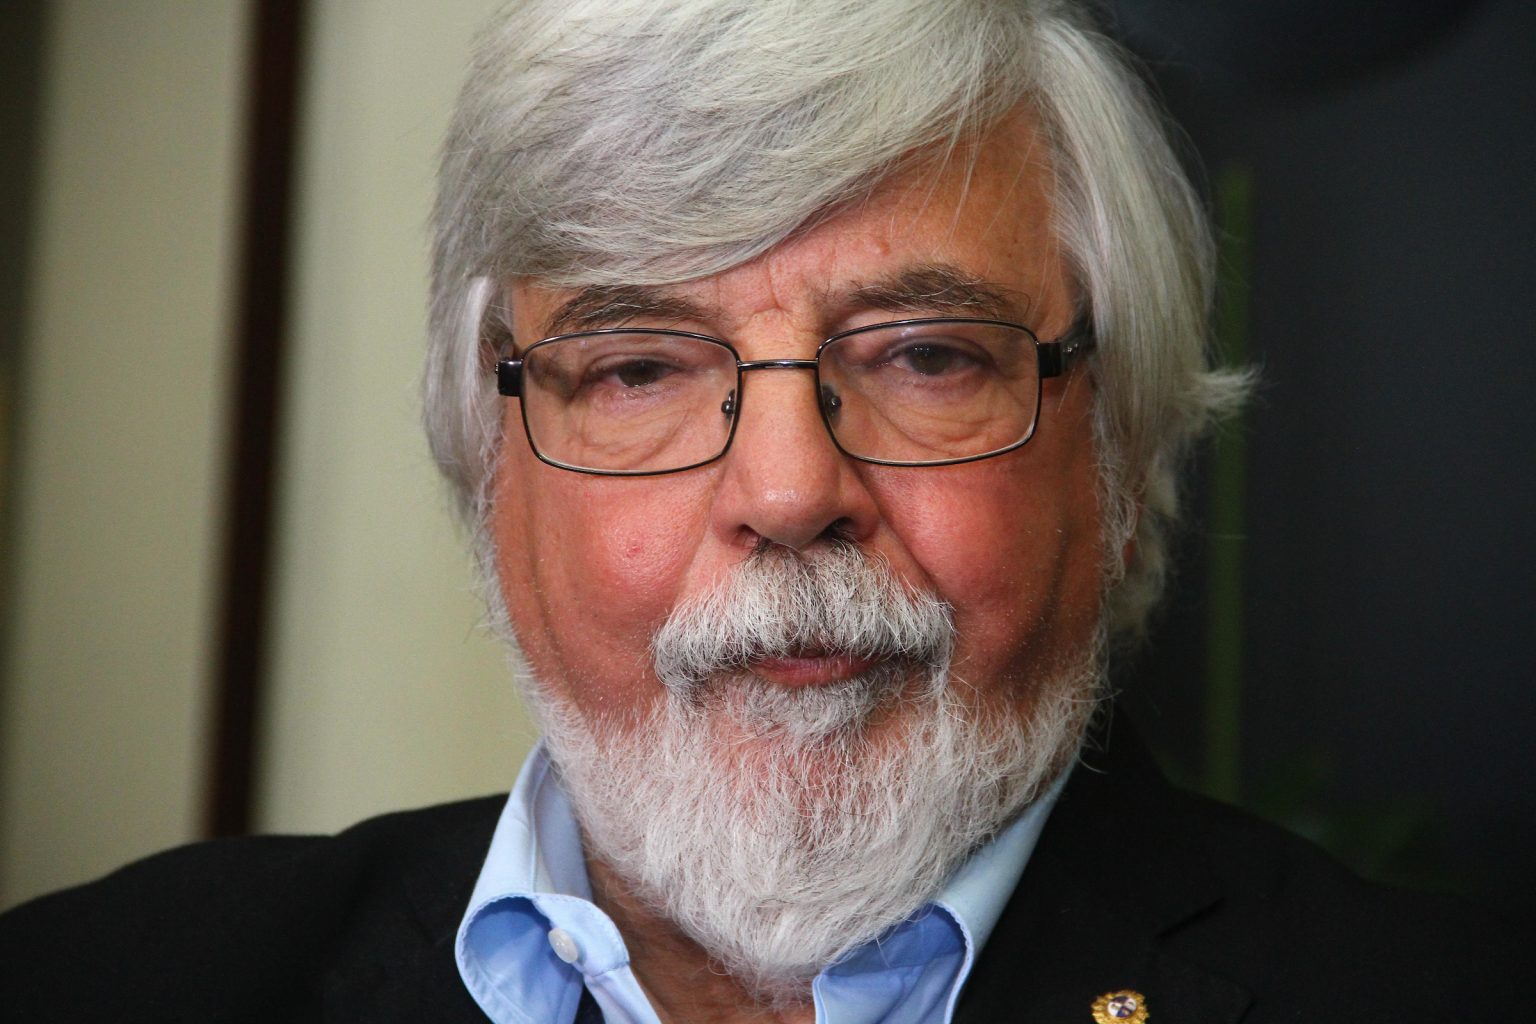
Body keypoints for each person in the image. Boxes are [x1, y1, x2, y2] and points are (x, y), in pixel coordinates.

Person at [1, 1, 1522, 1021]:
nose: (789, 493)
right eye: (640, 367)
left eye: (926, 357)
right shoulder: (95, 986)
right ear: (488, 467)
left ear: (1118, 459)